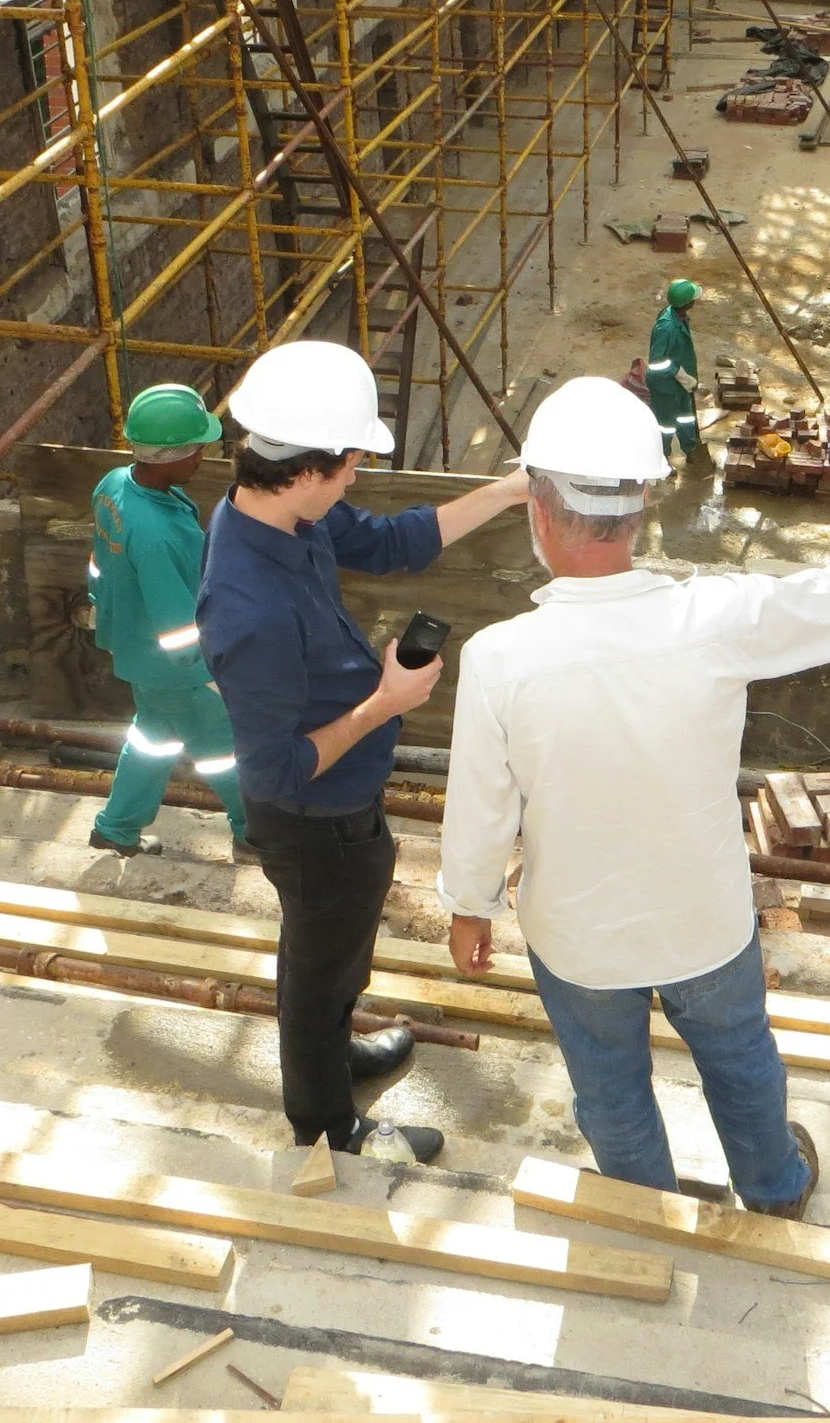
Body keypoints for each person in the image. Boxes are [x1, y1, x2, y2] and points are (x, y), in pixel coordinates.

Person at [438, 376, 830, 1218]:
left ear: (538, 511)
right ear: (645, 505)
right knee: (740, 1057)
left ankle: (644, 1212)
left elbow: (480, 807)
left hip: (580, 936)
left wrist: (469, 905)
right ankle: (773, 1189)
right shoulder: (712, 620)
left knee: (609, 1089)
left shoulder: (501, 657)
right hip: (704, 918)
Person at [198, 339, 529, 1160]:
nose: (356, 479)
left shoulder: (282, 508)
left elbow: (389, 542)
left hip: (346, 803)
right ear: (306, 468)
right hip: (311, 815)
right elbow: (270, 769)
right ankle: (327, 1124)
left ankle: (336, 1052)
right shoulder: (250, 609)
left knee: (335, 949)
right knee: (316, 966)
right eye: (350, 466)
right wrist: (384, 703)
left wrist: (509, 492)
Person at [86, 383, 244, 859]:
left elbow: (100, 565)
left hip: (138, 652)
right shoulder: (157, 535)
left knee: (154, 739)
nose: (202, 458)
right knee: (231, 753)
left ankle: (116, 828)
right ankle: (258, 833)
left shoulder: (115, 485)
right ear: (169, 457)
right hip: (182, 669)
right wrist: (210, 672)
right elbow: (177, 623)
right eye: (197, 450)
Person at [645, 279, 703, 464]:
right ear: (688, 303)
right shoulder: (666, 327)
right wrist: (679, 373)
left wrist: (686, 379)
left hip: (680, 385)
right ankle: (662, 460)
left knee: (686, 418)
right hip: (665, 388)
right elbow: (656, 363)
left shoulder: (680, 317)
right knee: (666, 425)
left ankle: (692, 449)